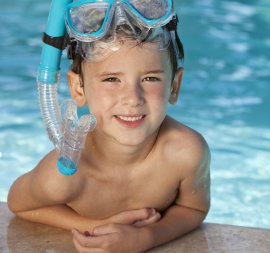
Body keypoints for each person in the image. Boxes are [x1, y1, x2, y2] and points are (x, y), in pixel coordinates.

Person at [7, 1, 211, 252]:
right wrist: (93, 225)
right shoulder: (69, 170)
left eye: (150, 78)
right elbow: (21, 204)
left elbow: (193, 208)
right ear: (78, 88)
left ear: (174, 86)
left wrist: (146, 238)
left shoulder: (186, 152)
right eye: (112, 79)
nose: (133, 98)